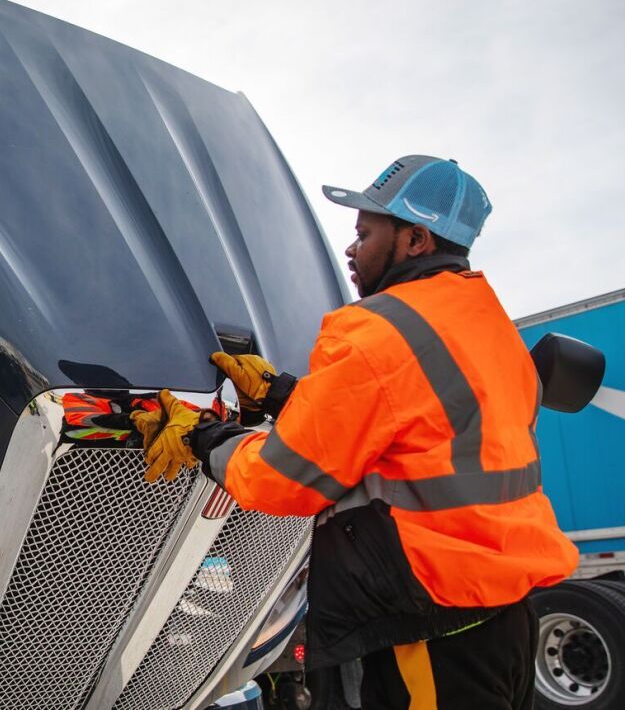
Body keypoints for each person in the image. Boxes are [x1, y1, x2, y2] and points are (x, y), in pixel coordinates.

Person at [135, 155, 577, 709]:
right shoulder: (488, 328)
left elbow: (282, 479)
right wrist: (284, 395)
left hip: (431, 621)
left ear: (415, 239)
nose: (351, 248)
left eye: (365, 233)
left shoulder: (376, 331)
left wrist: (204, 437)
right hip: (502, 613)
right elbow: (412, 434)